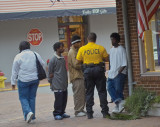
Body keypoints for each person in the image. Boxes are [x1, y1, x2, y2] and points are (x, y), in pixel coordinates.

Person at [76, 32, 110, 119]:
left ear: (87, 39)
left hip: (87, 71)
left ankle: (89, 113)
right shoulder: (100, 48)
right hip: (99, 70)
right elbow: (106, 59)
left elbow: (77, 62)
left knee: (89, 92)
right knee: (102, 92)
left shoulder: (82, 49)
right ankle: (105, 112)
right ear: (95, 39)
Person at [11, 41, 45, 123]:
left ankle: (28, 112)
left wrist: (12, 82)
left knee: (23, 98)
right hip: (35, 79)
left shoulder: (18, 56)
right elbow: (43, 64)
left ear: (20, 48)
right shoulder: (35, 54)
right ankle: (31, 119)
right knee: (32, 98)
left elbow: (14, 71)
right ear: (29, 46)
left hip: (23, 80)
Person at [48, 42, 70, 120]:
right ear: (57, 48)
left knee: (64, 99)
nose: (63, 48)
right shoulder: (53, 60)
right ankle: (57, 113)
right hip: (57, 84)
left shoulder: (62, 58)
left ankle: (62, 112)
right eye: (61, 47)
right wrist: (51, 83)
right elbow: (50, 73)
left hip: (63, 83)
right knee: (58, 100)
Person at [107, 32, 127, 113]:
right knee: (109, 88)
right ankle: (119, 103)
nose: (112, 41)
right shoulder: (111, 50)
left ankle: (119, 106)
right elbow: (110, 62)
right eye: (111, 39)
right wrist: (109, 71)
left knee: (118, 89)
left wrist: (118, 73)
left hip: (119, 73)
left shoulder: (122, 49)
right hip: (111, 73)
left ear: (118, 40)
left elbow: (124, 63)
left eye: (114, 39)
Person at [68, 35, 86, 117]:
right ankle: (78, 111)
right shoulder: (72, 52)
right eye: (78, 42)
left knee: (82, 94)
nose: (79, 44)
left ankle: (81, 109)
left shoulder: (76, 50)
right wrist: (84, 65)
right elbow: (76, 64)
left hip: (79, 75)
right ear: (74, 43)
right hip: (76, 76)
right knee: (78, 94)